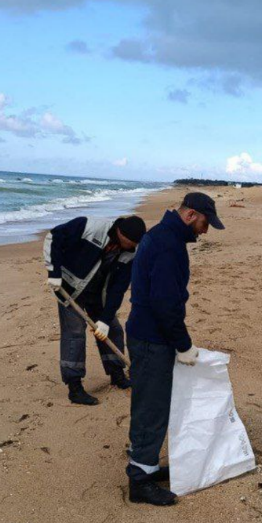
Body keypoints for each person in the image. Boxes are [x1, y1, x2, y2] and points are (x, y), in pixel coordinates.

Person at [124, 192, 225, 506]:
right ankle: (140, 480)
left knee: (151, 403)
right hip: (151, 338)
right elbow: (165, 303)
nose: (205, 231)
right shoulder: (168, 244)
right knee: (151, 407)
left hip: (148, 334)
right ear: (191, 215)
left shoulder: (163, 235)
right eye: (205, 223)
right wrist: (184, 345)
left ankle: (147, 465)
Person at [44, 214, 147, 405]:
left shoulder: (132, 252)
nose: (131, 247)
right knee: (75, 332)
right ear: (119, 232)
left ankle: (116, 373)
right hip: (69, 288)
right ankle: (74, 387)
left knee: (113, 329)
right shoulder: (90, 227)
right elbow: (54, 237)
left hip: (98, 294)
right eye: (128, 242)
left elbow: (118, 288)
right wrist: (54, 272)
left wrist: (105, 320)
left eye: (134, 244)